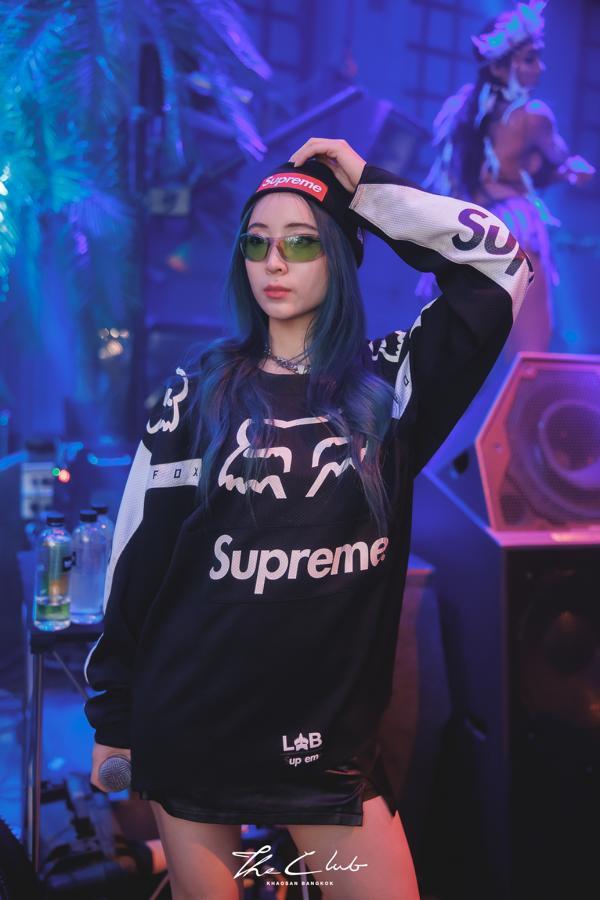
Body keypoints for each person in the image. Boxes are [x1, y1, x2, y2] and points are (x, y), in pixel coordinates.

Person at [83, 137, 531, 900]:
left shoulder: (390, 386)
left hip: (325, 747)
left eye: (300, 242)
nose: (275, 262)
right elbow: (139, 555)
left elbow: (499, 266)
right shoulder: (198, 390)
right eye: (256, 243)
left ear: (340, 256)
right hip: (192, 723)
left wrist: (365, 188)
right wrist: (112, 718)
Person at [418, 0, 594, 359]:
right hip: (514, 231)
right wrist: (573, 171)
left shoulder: (460, 113)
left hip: (465, 234)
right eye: (530, 59)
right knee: (531, 352)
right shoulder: (534, 117)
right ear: (499, 67)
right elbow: (564, 164)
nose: (540, 68)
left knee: (461, 359)